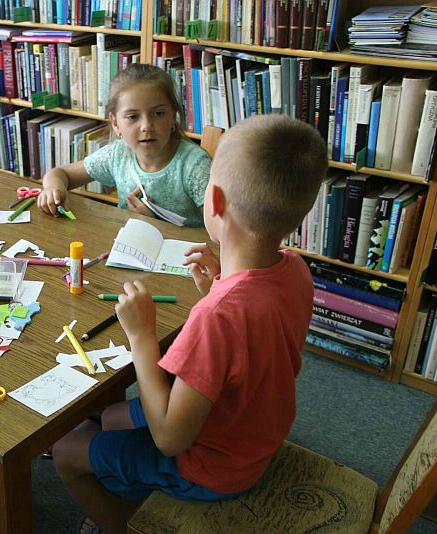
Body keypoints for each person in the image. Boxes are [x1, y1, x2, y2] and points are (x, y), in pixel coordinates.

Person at [52, 114, 329, 534]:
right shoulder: (295, 267)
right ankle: (126, 484)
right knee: (109, 419)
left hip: (211, 469)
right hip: (252, 432)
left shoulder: (216, 316)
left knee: (66, 450)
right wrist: (218, 285)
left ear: (214, 203)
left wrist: (142, 336)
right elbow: (253, 332)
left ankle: (123, 525)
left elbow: (168, 438)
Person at [37, 63, 211, 227]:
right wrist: (54, 187)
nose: (146, 126)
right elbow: (60, 174)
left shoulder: (195, 166)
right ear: (115, 123)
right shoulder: (118, 154)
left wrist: (156, 223)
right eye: (133, 117)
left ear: (173, 116)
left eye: (158, 113)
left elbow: (220, 234)